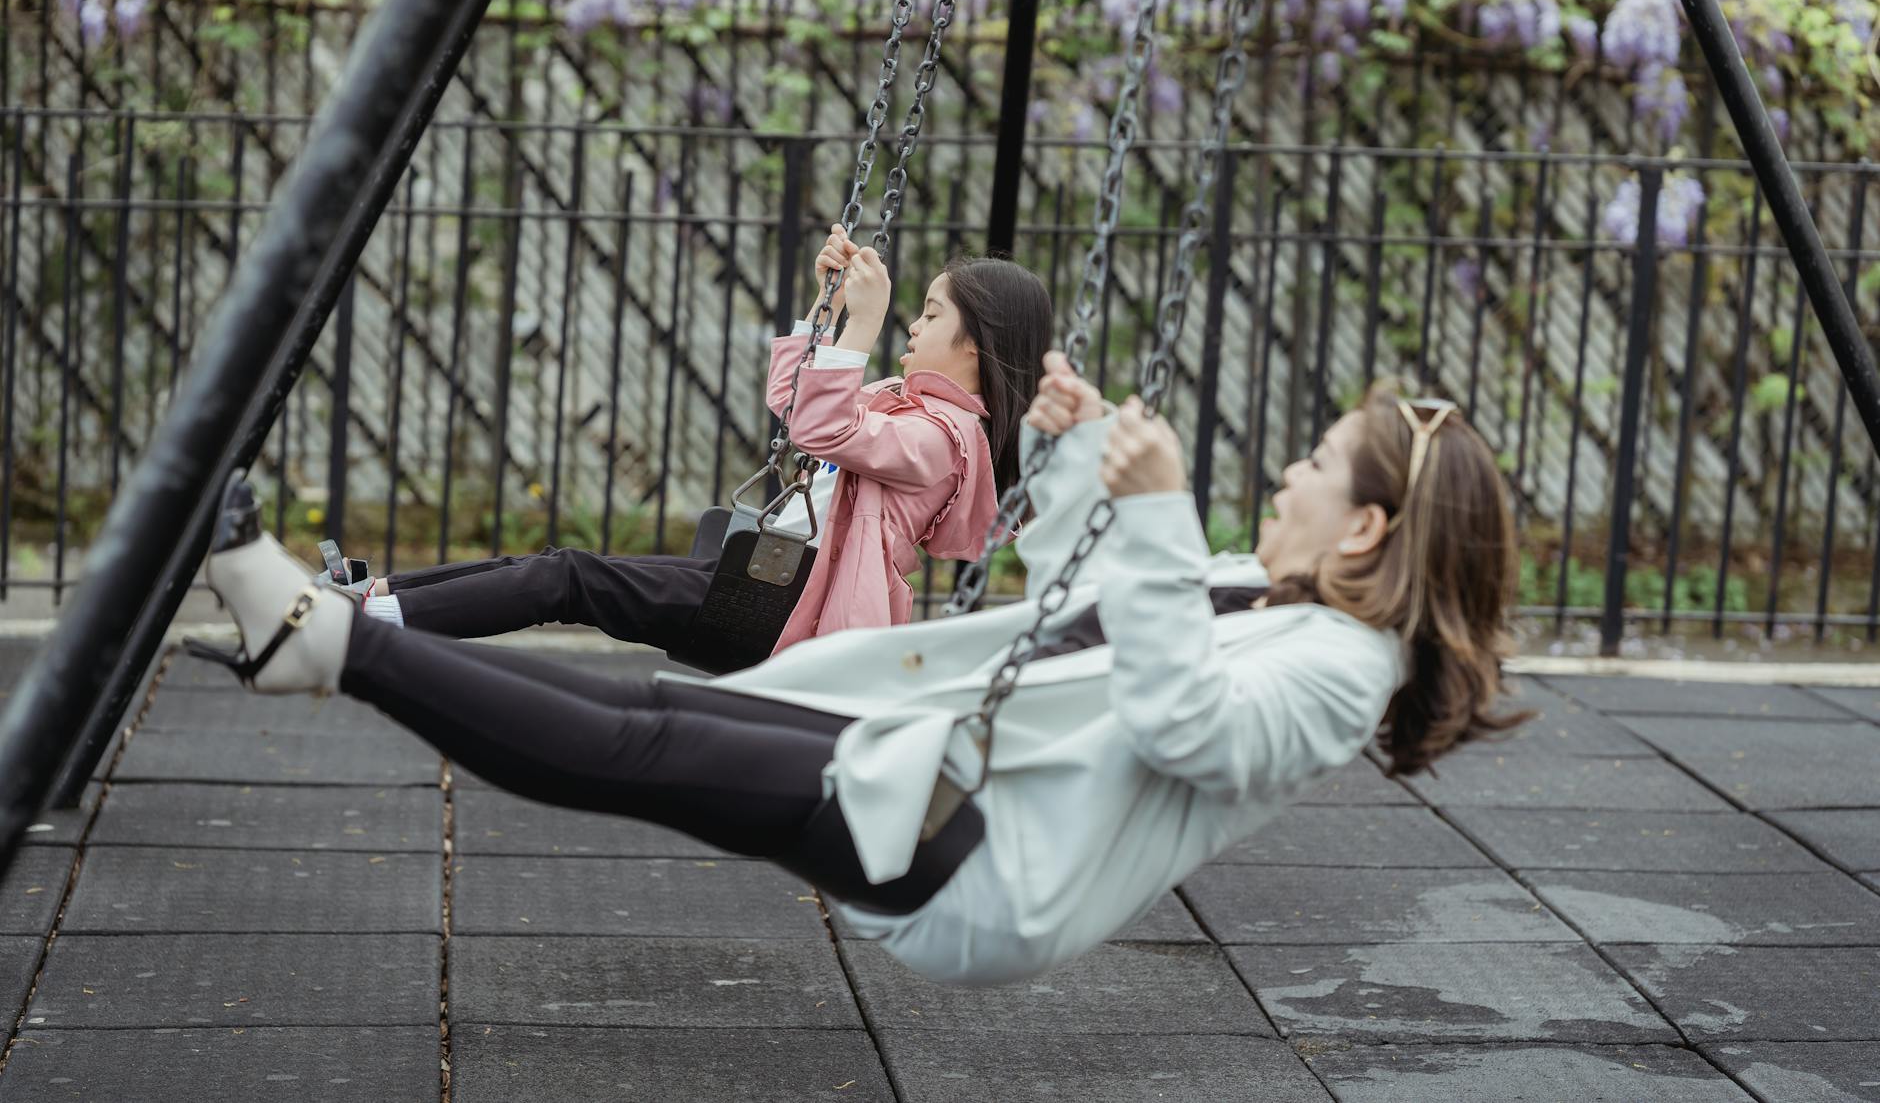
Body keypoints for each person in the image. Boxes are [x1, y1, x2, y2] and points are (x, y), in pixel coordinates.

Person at [190, 352, 1528, 986]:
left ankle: (333, 643)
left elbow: (1186, 724)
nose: (1287, 472)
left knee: (641, 749)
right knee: (651, 718)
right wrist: (1071, 459)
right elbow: (1077, 599)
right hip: (942, 776)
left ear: (1365, 525)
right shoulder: (1267, 589)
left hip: (981, 857)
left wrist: (1164, 507)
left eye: (1314, 462)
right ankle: (325, 641)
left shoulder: (1342, 673)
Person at [343, 228, 1053, 665]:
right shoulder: (910, 410)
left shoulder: (945, 441)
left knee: (570, 578)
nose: (912, 327)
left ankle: (374, 618)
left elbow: (822, 428)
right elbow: (792, 402)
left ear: (977, 345)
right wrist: (827, 309)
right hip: (768, 583)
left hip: (789, 605)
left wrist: (862, 328)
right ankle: (379, 596)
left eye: (930, 314)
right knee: (558, 571)